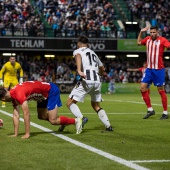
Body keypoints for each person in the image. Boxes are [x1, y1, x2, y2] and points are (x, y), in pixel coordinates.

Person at [58, 35, 113, 132]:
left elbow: (78, 56)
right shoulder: (93, 53)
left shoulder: (78, 51)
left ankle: (81, 118)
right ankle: (108, 126)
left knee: (69, 102)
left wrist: (79, 70)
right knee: (95, 105)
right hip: (97, 81)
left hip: (86, 79)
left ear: (79, 44)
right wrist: (99, 74)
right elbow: (102, 68)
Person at [0, 81, 82, 139]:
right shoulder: (12, 94)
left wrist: (27, 134)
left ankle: (76, 121)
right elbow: (15, 115)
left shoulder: (18, 94)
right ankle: (63, 121)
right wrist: (15, 134)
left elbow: (26, 113)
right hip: (41, 96)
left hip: (51, 91)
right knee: (41, 116)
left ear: (3, 99)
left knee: (53, 120)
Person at [137, 26, 170, 119]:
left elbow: (168, 45)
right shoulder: (147, 39)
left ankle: (165, 113)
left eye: (154, 32)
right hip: (149, 69)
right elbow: (138, 43)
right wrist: (141, 32)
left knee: (161, 90)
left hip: (159, 69)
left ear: (157, 32)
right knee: (142, 88)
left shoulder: (163, 40)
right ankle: (150, 110)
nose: (152, 34)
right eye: (150, 32)